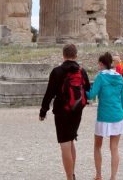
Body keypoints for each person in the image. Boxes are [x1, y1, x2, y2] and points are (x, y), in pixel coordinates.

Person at [40, 43, 91, 180]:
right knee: (71, 141)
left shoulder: (57, 71)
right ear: (76, 55)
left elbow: (49, 93)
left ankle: (69, 177)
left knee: (65, 145)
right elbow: (87, 89)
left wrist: (43, 111)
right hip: (77, 111)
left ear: (63, 55)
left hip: (62, 111)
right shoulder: (82, 71)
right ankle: (72, 174)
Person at [86, 52, 123, 180]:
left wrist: (83, 89)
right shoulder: (119, 77)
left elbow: (91, 95)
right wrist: (121, 114)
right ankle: (113, 177)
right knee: (114, 148)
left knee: (97, 146)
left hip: (103, 116)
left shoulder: (101, 77)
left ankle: (98, 175)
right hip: (117, 116)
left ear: (102, 64)